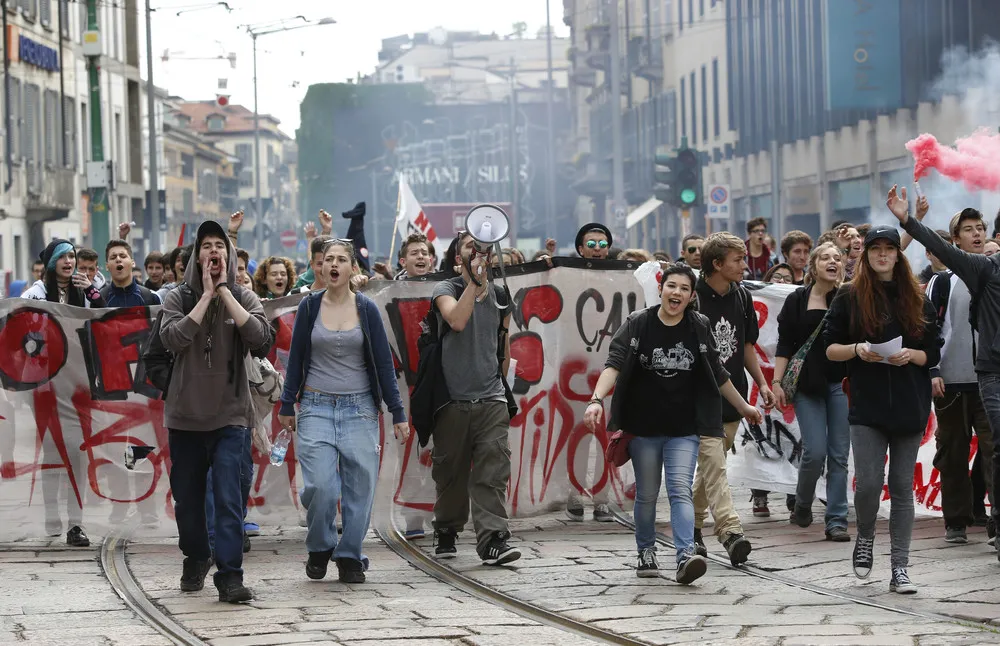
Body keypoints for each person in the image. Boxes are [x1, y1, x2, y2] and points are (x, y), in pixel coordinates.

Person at [584, 264, 763, 584]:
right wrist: (596, 399)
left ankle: (684, 555)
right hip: (643, 426)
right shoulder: (638, 323)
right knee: (648, 494)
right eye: (671, 286)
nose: (676, 292)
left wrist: (744, 406)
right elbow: (614, 364)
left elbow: (718, 375)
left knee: (679, 489)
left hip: (685, 427)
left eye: (683, 288)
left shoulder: (698, 325)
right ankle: (646, 550)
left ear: (691, 296)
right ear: (661, 290)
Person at [278, 240, 409, 583]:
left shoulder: (366, 309)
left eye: (341, 260)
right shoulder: (309, 307)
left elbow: (383, 364)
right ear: (321, 268)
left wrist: (398, 412)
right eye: (328, 260)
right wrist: (286, 402)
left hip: (360, 409)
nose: (334, 265)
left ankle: (350, 554)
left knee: (360, 487)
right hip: (315, 406)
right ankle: (320, 545)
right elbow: (294, 360)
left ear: (353, 269)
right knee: (321, 487)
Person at [159, 220, 273, 603]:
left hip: (231, 417)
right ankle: (195, 557)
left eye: (219, 246)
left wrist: (224, 294)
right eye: (206, 245)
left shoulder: (243, 296)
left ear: (228, 254)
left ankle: (230, 575)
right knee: (188, 502)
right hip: (186, 418)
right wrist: (205, 297)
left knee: (228, 498)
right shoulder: (177, 297)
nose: (213, 252)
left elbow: (260, 340)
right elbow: (172, 338)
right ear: (196, 255)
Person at [825, 221, 941, 594]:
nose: (882, 255)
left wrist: (914, 355)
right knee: (870, 483)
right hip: (867, 403)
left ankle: (900, 567)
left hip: (910, 403)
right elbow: (830, 348)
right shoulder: (848, 295)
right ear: (867, 254)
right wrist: (858, 350)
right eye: (875, 249)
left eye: (889, 249)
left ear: (898, 254)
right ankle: (865, 537)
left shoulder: (918, 296)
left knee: (902, 487)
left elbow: (933, 352)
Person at [891, 187, 1000, 556]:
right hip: (952, 380)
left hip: (989, 378)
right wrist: (933, 369)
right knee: (951, 452)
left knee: (992, 450)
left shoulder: (993, 270)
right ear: (954, 240)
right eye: (968, 229)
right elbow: (928, 330)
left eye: (980, 227)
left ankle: (990, 518)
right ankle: (956, 521)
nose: (976, 233)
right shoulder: (943, 281)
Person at [430, 232, 520, 566]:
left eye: (483, 247)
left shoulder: (500, 295)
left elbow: (504, 346)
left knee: (493, 471)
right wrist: (474, 283)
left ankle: (493, 539)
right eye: (471, 247)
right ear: (458, 258)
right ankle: (447, 528)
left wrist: (498, 383)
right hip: (452, 400)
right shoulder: (446, 289)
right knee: (451, 474)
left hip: (491, 398)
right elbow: (456, 320)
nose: (478, 251)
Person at [692, 232, 775, 564]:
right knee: (715, 464)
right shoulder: (692, 296)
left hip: (734, 393)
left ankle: (693, 528)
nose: (744, 266)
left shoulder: (741, 297)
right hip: (699, 394)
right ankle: (729, 530)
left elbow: (746, 347)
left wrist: (762, 384)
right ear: (717, 264)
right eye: (738, 260)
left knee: (712, 467)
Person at [770, 243, 850, 541]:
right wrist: (777, 383)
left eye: (838, 258)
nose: (833, 262)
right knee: (815, 451)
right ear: (814, 266)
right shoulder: (797, 299)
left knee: (839, 454)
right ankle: (802, 504)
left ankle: (836, 519)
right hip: (807, 386)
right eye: (826, 257)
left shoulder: (848, 297)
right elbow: (785, 345)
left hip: (840, 384)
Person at [22, 239, 106, 308]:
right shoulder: (36, 293)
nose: (68, 261)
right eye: (61, 256)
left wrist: (90, 289)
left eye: (71, 256)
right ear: (51, 262)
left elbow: (103, 314)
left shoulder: (84, 291)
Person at [101, 240, 161, 307]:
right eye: (113, 257)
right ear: (107, 266)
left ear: (133, 263)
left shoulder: (151, 297)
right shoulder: (100, 299)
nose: (118, 259)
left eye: (123, 256)